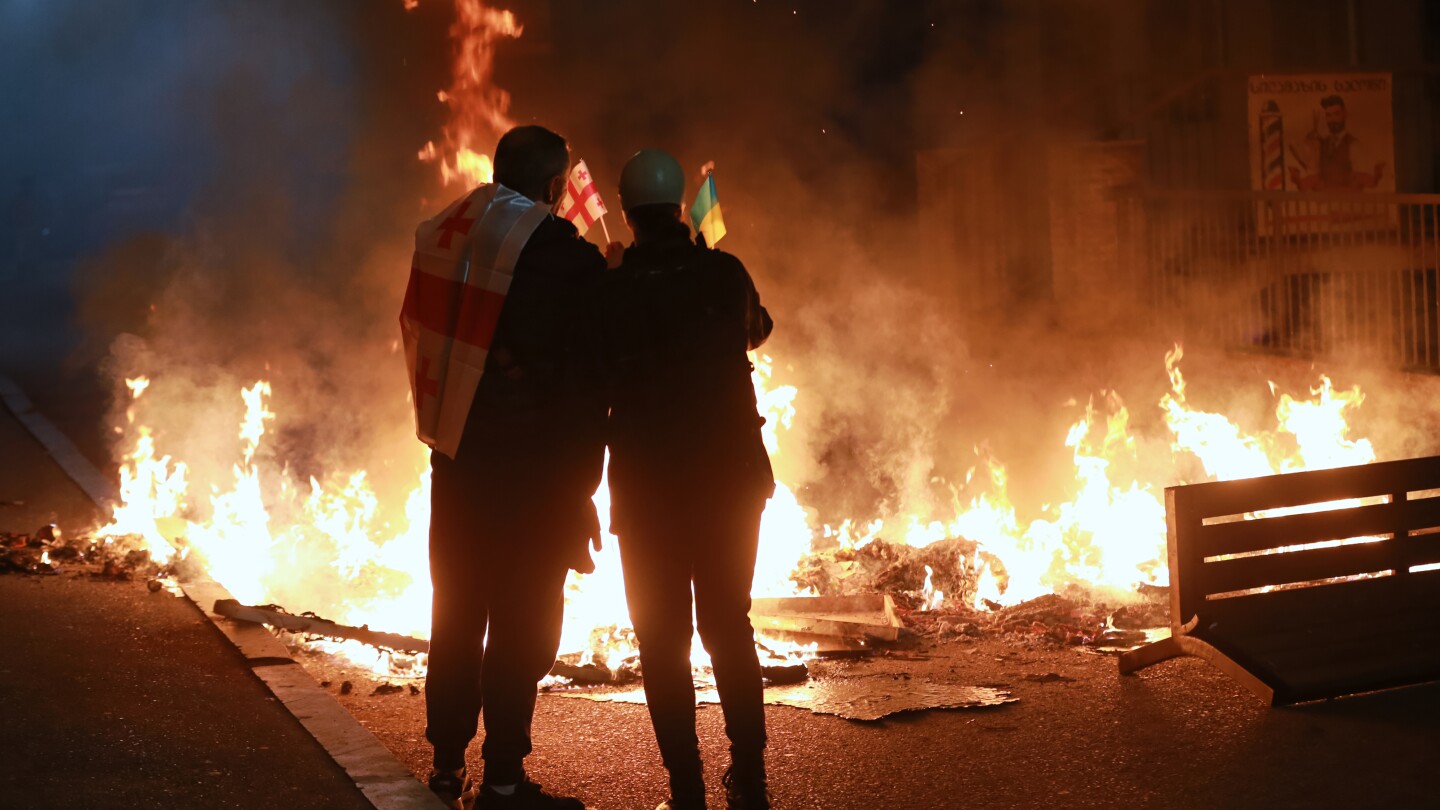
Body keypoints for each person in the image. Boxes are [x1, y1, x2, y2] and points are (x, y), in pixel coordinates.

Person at [400, 125, 608, 810]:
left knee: (457, 612)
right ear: (555, 187)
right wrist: (580, 491)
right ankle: (503, 782)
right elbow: (586, 391)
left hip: (458, 461)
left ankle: (445, 764)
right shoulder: (566, 258)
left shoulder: (446, 236)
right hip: (534, 479)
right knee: (523, 626)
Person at [601, 149, 776, 810]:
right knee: (729, 625)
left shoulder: (615, 286)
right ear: (679, 208)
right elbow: (757, 330)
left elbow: (594, 370)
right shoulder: (723, 271)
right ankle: (750, 776)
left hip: (649, 488)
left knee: (662, 640)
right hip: (731, 479)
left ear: (627, 213)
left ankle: (686, 789)